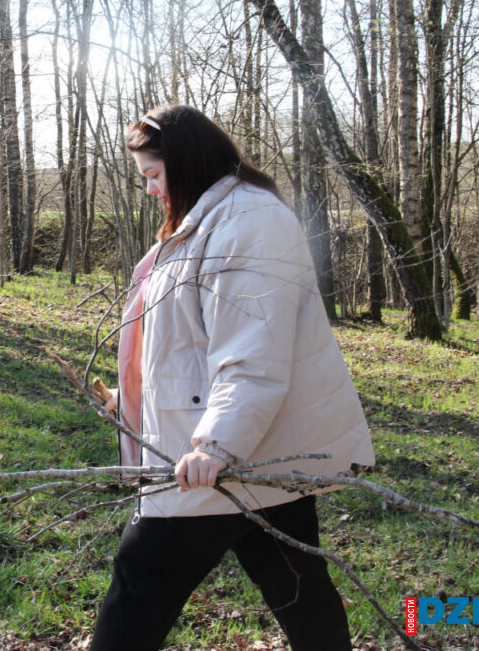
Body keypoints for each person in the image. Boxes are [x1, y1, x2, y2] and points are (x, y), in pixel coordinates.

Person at [91, 105, 375, 651]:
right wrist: (135, 399)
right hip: (256, 450)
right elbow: (192, 342)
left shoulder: (249, 223)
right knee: (299, 592)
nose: (150, 189)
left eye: (154, 174)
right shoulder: (210, 220)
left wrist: (215, 446)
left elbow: (252, 353)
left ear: (186, 162)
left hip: (215, 457)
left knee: (138, 587)